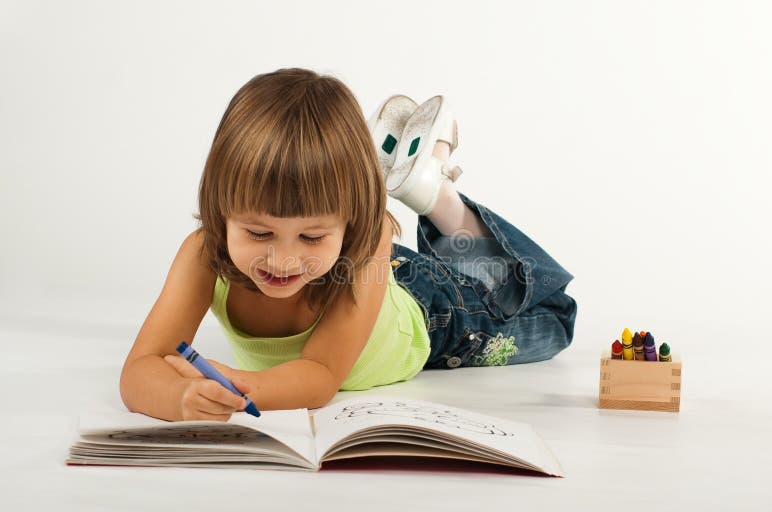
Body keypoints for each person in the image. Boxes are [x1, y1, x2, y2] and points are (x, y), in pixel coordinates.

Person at [119, 68, 577, 422]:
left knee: (554, 315)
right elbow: (140, 369)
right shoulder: (202, 252)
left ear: (347, 221)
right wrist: (180, 397)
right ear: (221, 212)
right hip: (340, 257)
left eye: (310, 235)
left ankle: (435, 194)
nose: (283, 259)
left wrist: (240, 385)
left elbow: (319, 377)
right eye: (258, 233)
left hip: (426, 308)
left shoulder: (368, 234)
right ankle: (364, 175)